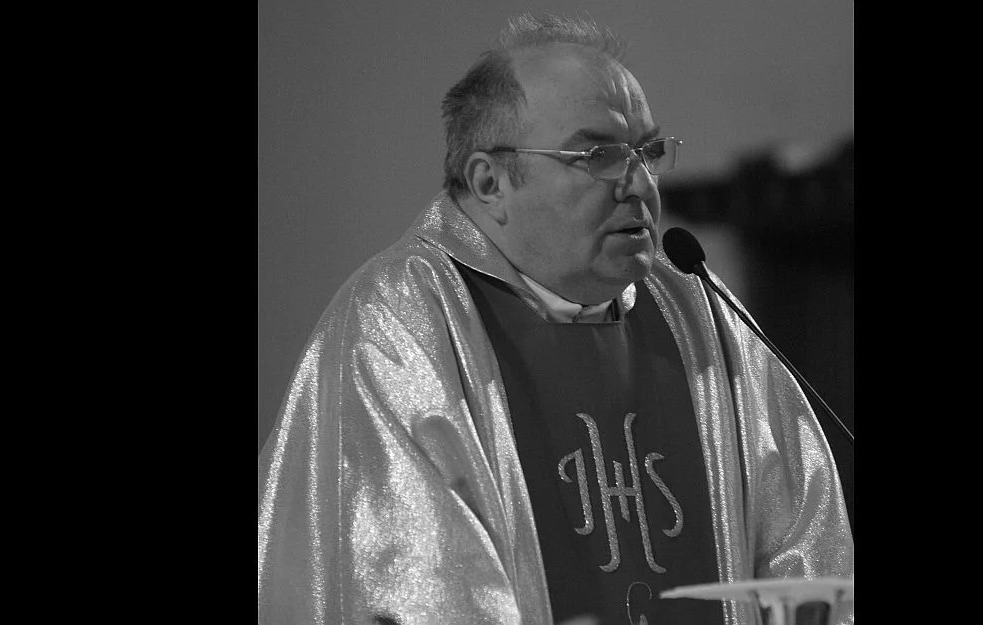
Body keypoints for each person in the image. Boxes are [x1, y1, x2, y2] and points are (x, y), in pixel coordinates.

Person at [258, 13, 853, 625]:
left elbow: (807, 557)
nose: (638, 184)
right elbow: (418, 590)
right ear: (489, 182)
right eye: (599, 155)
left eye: (648, 152)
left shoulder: (698, 313)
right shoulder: (401, 323)